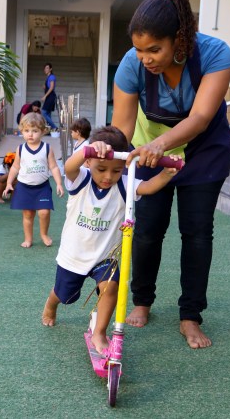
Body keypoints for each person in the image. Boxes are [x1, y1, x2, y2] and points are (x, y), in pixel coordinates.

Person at [110, 0, 230, 349]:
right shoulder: (131, 66)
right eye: (139, 50)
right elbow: (122, 126)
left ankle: (190, 316)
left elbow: (201, 117)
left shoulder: (214, 54)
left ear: (179, 39)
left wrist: (162, 144)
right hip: (149, 153)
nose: (145, 58)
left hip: (202, 150)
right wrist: (110, 155)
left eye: (154, 49)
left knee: (197, 232)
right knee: (147, 230)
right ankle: (142, 301)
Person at [41, 126, 181, 354]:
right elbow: (69, 167)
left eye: (116, 170)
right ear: (88, 163)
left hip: (106, 256)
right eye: (101, 169)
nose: (108, 177)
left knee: (110, 288)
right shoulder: (81, 179)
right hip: (74, 255)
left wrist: (167, 173)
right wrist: (87, 150)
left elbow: (147, 187)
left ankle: (100, 332)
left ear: (124, 165)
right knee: (65, 295)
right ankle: (51, 303)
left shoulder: (125, 184)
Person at [3, 112, 64, 248]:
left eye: (35, 131)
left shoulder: (47, 148)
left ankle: (44, 234)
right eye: (27, 131)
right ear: (22, 131)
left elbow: (54, 167)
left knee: (44, 212)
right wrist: (8, 183)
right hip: (24, 187)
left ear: (43, 131)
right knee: (28, 214)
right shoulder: (21, 149)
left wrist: (59, 183)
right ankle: (28, 239)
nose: (30, 134)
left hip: (42, 187)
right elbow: (15, 167)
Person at [40, 62, 58, 131]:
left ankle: (54, 127)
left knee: (43, 112)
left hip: (51, 97)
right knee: (48, 113)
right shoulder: (48, 77)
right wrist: (45, 88)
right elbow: (48, 87)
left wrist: (45, 96)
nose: (45, 69)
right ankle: (50, 130)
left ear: (50, 69)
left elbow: (51, 87)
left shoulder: (52, 77)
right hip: (49, 97)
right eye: (45, 68)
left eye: (47, 68)